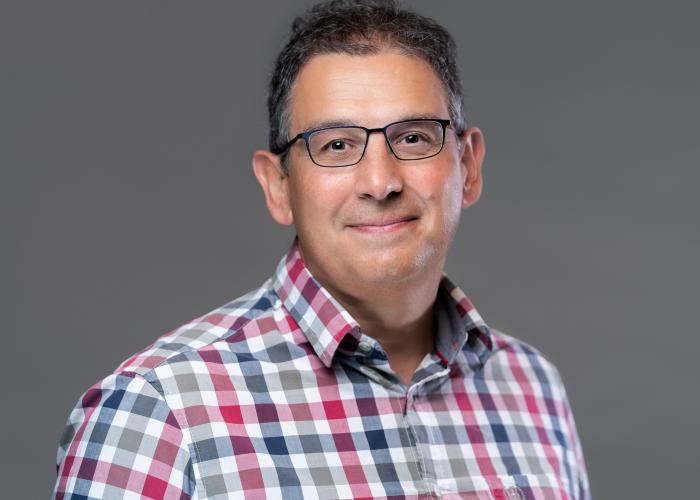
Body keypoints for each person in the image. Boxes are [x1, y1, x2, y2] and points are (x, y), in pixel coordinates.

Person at [54, 1, 590, 498]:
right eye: (336, 145)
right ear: (278, 186)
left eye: (413, 138)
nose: (380, 182)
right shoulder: (156, 412)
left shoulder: (531, 387)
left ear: (468, 168)